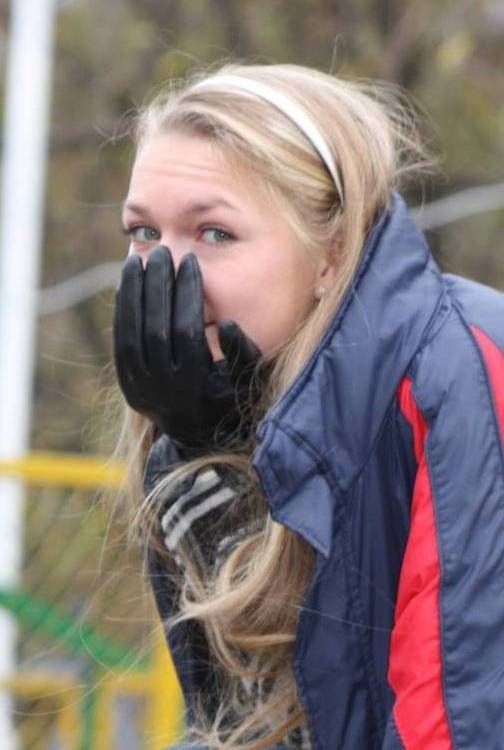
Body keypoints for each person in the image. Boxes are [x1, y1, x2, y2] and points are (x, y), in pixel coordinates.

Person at [112, 62, 504, 750]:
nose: (166, 274)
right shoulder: (215, 411)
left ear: (331, 253)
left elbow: (457, 720)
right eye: (144, 233)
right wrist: (211, 455)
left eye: (214, 234)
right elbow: (262, 725)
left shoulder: (459, 369)